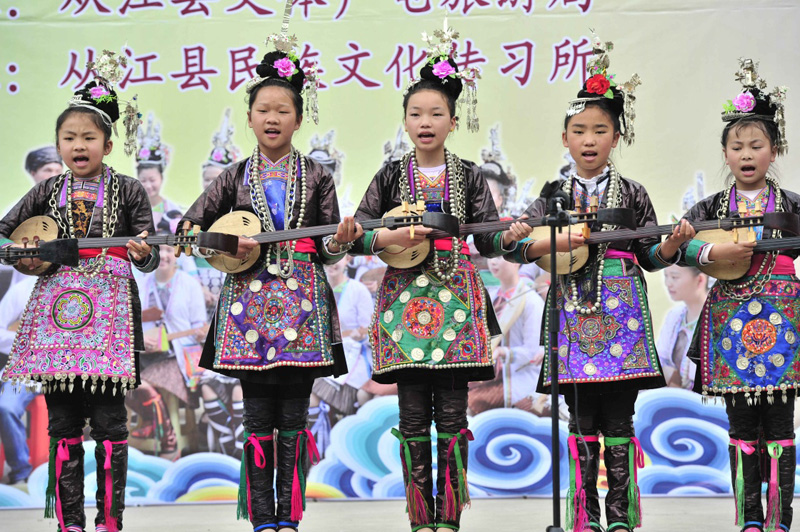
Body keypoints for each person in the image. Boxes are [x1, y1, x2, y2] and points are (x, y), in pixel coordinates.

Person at [507, 33, 693, 532]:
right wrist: (527, 237)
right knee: (581, 420)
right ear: (564, 138)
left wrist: (673, 245)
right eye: (579, 130)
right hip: (571, 310)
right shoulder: (551, 194)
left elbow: (650, 257)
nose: (589, 140)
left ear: (616, 137)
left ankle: (621, 518)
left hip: (622, 317)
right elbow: (518, 249)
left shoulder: (633, 193)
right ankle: (584, 517)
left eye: (600, 130)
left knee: (619, 421)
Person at [179, 27, 361, 532]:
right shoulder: (232, 176)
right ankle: (263, 518)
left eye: (283, 110)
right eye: (263, 110)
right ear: (250, 118)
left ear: (298, 119)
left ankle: (290, 518)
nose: (273, 118)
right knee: (257, 419)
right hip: (248, 308)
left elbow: (328, 247)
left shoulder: (318, 176)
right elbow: (188, 230)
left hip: (303, 305)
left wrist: (341, 241)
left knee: (294, 419)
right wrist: (225, 242)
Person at [350, 19, 526, 532]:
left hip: (456, 301)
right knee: (411, 417)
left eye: (436, 114)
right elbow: (360, 234)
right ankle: (419, 518)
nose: (425, 122)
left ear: (452, 121)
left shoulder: (469, 175)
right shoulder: (389, 174)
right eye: (415, 114)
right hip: (403, 302)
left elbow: (487, 240)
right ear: (405, 122)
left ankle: (448, 517)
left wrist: (509, 235)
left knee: (451, 416)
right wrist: (389, 237)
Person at [0, 50, 157, 532]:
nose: (78, 145)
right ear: (58, 146)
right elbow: (5, 235)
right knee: (63, 423)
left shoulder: (129, 190)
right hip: (56, 314)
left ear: (107, 145)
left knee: (110, 423)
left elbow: (150, 251)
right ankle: (70, 523)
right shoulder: (46, 192)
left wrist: (139, 253)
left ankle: (110, 522)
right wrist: (26, 253)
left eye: (88, 137)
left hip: (111, 315)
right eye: (69, 138)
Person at [681, 59, 796, 532]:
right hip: (730, 326)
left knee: (781, 426)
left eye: (756, 145)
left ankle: (780, 518)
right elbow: (679, 245)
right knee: (742, 426)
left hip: (784, 326)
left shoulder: (791, 206)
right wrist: (710, 250)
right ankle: (750, 518)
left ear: (774, 150)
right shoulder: (710, 209)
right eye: (737, 147)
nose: (746, 154)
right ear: (725, 155)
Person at [128, 241, 207, 458]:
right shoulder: (140, 284)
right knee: (120, 382)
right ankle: (164, 433)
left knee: (140, 383)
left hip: (177, 357)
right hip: (144, 356)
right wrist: (142, 341)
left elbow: (200, 325)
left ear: (177, 255)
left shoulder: (189, 284)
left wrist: (200, 334)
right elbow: (130, 325)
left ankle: (163, 436)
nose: (163, 255)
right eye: (158, 250)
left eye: (168, 250)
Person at [468, 256, 545, 415]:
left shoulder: (531, 301)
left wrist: (501, 352)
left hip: (516, 378)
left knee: (471, 402)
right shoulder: (491, 296)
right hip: (491, 375)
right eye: (490, 257)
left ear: (516, 261)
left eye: (499, 257)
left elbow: (532, 351)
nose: (493, 262)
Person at [0, 275, 38, 485]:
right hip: (25, 371)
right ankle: (20, 472)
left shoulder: (80, 286)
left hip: (72, 369)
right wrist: (24, 341)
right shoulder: (23, 289)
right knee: (6, 407)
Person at [656, 265, 709, 389]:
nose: (668, 283)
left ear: (700, 280)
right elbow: (661, 362)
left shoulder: (715, 320)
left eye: (674, 277)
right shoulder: (674, 316)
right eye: (666, 276)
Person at [136, 113, 182, 235]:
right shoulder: (131, 209)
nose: (148, 185)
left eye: (152, 180)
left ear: (161, 178)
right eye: (143, 180)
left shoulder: (173, 210)